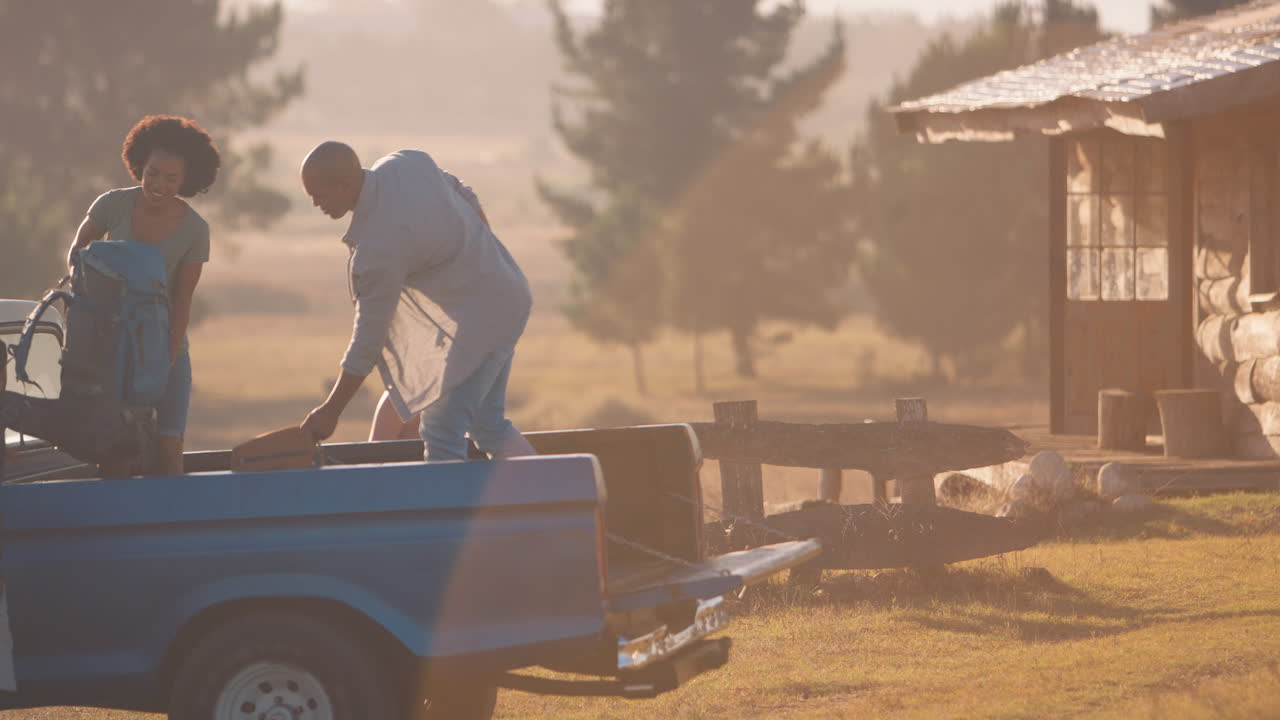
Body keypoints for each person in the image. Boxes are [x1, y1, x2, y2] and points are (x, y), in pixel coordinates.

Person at [297, 142, 535, 461]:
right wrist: (484, 261)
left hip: (483, 322)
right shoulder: (404, 163)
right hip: (510, 294)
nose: (316, 204)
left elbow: (368, 340)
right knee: (487, 424)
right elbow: (463, 192)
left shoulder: (378, 246)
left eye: (320, 195)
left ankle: (451, 500)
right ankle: (555, 489)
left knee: (441, 430)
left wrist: (331, 410)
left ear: (346, 184)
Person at [65, 115, 220, 476]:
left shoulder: (196, 230)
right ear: (140, 166)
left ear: (186, 181)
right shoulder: (112, 205)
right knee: (115, 455)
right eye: (152, 173)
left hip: (164, 350)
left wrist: (165, 360)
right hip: (111, 353)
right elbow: (77, 255)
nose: (159, 184)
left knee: (169, 454)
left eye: (171, 178)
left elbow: (182, 300)